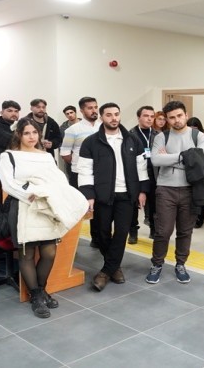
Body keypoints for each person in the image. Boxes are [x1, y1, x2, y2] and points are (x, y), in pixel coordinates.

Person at [0, 118, 87, 319]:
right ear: (19, 134)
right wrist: (31, 194)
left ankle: (42, 288)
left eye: (34, 133)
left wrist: (51, 194)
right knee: (27, 254)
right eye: (27, 133)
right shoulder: (9, 156)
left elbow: (58, 180)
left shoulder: (46, 156)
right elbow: (8, 184)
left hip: (47, 207)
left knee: (49, 252)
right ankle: (36, 296)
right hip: (24, 207)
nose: (31, 137)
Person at [77, 103, 149, 291]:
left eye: (116, 114)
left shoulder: (132, 140)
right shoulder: (91, 142)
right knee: (101, 233)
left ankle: (106, 272)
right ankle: (114, 267)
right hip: (102, 196)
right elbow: (84, 170)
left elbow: (141, 168)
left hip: (127, 195)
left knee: (121, 233)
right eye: (109, 115)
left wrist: (142, 191)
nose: (114, 118)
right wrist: (89, 195)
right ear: (101, 117)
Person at [146, 100, 204, 284]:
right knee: (163, 231)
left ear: (186, 115)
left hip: (190, 189)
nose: (176, 120)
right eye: (172, 117)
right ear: (167, 119)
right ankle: (157, 264)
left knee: (185, 231)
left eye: (179, 115)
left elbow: (202, 161)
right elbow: (156, 160)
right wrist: (185, 156)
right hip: (166, 189)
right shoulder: (161, 137)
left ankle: (180, 264)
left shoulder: (198, 135)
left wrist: (169, 158)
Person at [59, 96, 101, 246]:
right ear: (82, 111)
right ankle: (72, 241)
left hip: (99, 173)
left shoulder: (102, 127)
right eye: (90, 108)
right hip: (79, 174)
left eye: (95, 107)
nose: (94, 110)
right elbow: (65, 153)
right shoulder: (73, 130)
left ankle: (96, 238)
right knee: (80, 207)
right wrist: (79, 164)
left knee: (97, 207)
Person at [129, 106, 160, 241]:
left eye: (152, 116)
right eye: (146, 116)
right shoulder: (130, 135)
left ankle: (153, 229)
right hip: (135, 174)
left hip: (154, 173)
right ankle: (133, 232)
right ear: (139, 117)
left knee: (154, 204)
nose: (149, 119)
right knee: (133, 204)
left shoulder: (158, 135)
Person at [187, 116, 204, 228]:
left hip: (202, 171)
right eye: (191, 128)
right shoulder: (184, 137)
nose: (193, 131)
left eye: (195, 128)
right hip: (188, 170)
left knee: (201, 196)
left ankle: (199, 219)